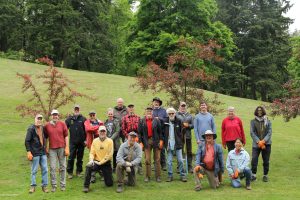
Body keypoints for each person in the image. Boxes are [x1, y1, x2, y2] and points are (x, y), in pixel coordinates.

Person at [82, 126, 114, 193]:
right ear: (98, 132)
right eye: (101, 131)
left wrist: (100, 163)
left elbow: (109, 155)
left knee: (109, 184)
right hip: (96, 162)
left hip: (106, 163)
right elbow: (92, 152)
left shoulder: (110, 141)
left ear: (106, 132)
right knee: (88, 166)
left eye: (104, 131)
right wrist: (91, 160)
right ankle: (86, 186)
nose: (102, 133)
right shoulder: (95, 141)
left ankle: (105, 174)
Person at [44, 109, 69, 192]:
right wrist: (46, 147)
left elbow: (66, 136)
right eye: (54, 115)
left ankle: (63, 185)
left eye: (56, 115)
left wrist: (67, 147)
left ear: (58, 116)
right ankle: (54, 186)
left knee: (63, 167)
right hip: (52, 149)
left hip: (62, 147)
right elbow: (46, 137)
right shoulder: (47, 125)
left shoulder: (62, 124)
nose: (55, 116)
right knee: (52, 167)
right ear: (51, 116)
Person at [138, 107, 163, 182]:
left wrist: (161, 141)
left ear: (152, 112)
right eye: (147, 111)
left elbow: (160, 132)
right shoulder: (142, 121)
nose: (149, 112)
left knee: (157, 159)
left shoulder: (156, 120)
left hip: (156, 141)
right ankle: (147, 176)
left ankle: (158, 176)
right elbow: (139, 133)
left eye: (150, 111)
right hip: (146, 141)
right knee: (147, 160)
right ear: (145, 112)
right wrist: (140, 142)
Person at [25, 114, 49, 193]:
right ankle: (32, 186)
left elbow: (46, 137)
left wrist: (46, 147)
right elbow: (27, 141)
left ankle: (44, 186)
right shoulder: (31, 129)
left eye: (40, 119)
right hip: (34, 153)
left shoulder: (43, 128)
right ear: (35, 119)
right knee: (34, 170)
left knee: (45, 169)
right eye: (38, 118)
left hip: (43, 152)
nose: (39, 120)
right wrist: (29, 152)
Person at [164, 107, 187, 182]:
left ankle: (182, 175)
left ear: (175, 113)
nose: (171, 114)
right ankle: (170, 175)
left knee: (180, 160)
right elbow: (163, 132)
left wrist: (181, 141)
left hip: (177, 144)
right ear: (167, 114)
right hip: (169, 144)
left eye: (172, 113)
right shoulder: (165, 121)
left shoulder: (179, 121)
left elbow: (182, 132)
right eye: (169, 113)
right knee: (169, 161)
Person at [250, 106, 272, 182]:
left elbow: (269, 133)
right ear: (256, 111)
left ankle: (265, 175)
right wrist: (258, 141)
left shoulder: (268, 121)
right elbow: (252, 133)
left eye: (261, 110)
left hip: (267, 144)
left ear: (263, 111)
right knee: (254, 159)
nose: (259, 111)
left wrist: (263, 141)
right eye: (258, 110)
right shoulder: (252, 121)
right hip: (256, 144)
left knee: (266, 160)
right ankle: (253, 175)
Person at [65, 105, 86, 179]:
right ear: (73, 110)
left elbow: (86, 130)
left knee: (80, 158)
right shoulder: (69, 119)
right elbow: (65, 130)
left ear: (79, 110)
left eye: (78, 109)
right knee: (71, 157)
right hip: (72, 142)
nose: (76, 110)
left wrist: (86, 140)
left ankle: (79, 172)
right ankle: (70, 173)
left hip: (81, 142)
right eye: (75, 109)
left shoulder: (83, 119)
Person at [84, 110, 103, 183]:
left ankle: (102, 174)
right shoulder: (87, 122)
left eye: (93, 115)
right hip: (91, 144)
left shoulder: (100, 122)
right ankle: (93, 176)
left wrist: (94, 128)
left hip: (99, 143)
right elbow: (88, 129)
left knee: (100, 158)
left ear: (95, 115)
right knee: (92, 159)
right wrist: (97, 127)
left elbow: (102, 131)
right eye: (91, 115)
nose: (92, 116)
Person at [176, 101, 194, 173]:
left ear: (186, 107)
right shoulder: (176, 115)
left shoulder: (190, 115)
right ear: (179, 106)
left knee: (189, 151)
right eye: (181, 106)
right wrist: (182, 124)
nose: (183, 107)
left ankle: (189, 166)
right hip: (179, 136)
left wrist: (188, 125)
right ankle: (179, 167)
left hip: (188, 136)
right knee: (180, 151)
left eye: (184, 106)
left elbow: (193, 125)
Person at [152, 97, 168, 171]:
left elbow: (166, 119)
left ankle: (163, 164)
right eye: (155, 102)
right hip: (153, 133)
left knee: (162, 148)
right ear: (153, 103)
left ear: (159, 103)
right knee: (154, 148)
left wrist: (159, 118)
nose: (156, 103)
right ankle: (155, 163)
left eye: (157, 102)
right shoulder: (150, 111)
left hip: (162, 132)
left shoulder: (164, 111)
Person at [104, 108, 121, 172]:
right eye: (109, 114)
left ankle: (115, 168)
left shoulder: (116, 121)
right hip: (107, 141)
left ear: (113, 114)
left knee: (115, 154)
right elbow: (104, 131)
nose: (110, 115)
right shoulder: (105, 122)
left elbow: (117, 131)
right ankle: (108, 167)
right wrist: (107, 138)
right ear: (107, 114)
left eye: (111, 114)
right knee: (108, 154)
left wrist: (111, 138)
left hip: (115, 141)